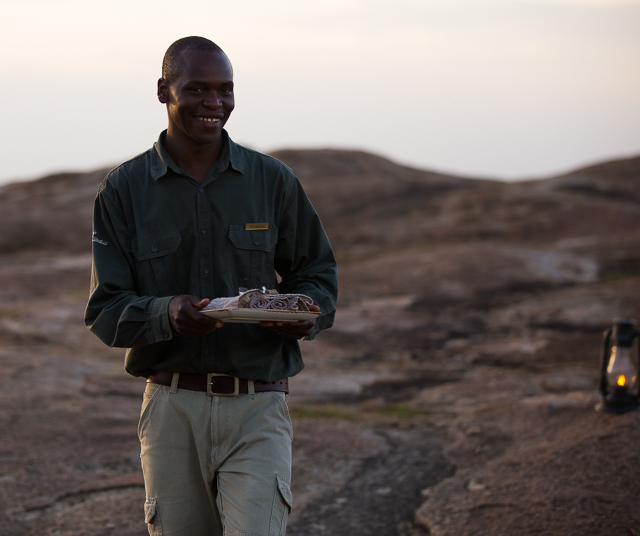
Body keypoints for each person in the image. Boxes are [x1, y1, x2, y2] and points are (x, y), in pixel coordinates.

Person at [84, 36, 338, 536]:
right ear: (164, 90)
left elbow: (317, 275)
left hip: (259, 406)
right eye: (197, 88)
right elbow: (105, 311)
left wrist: (302, 316)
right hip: (172, 409)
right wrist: (166, 313)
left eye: (225, 90)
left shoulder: (273, 181)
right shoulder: (124, 189)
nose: (214, 103)